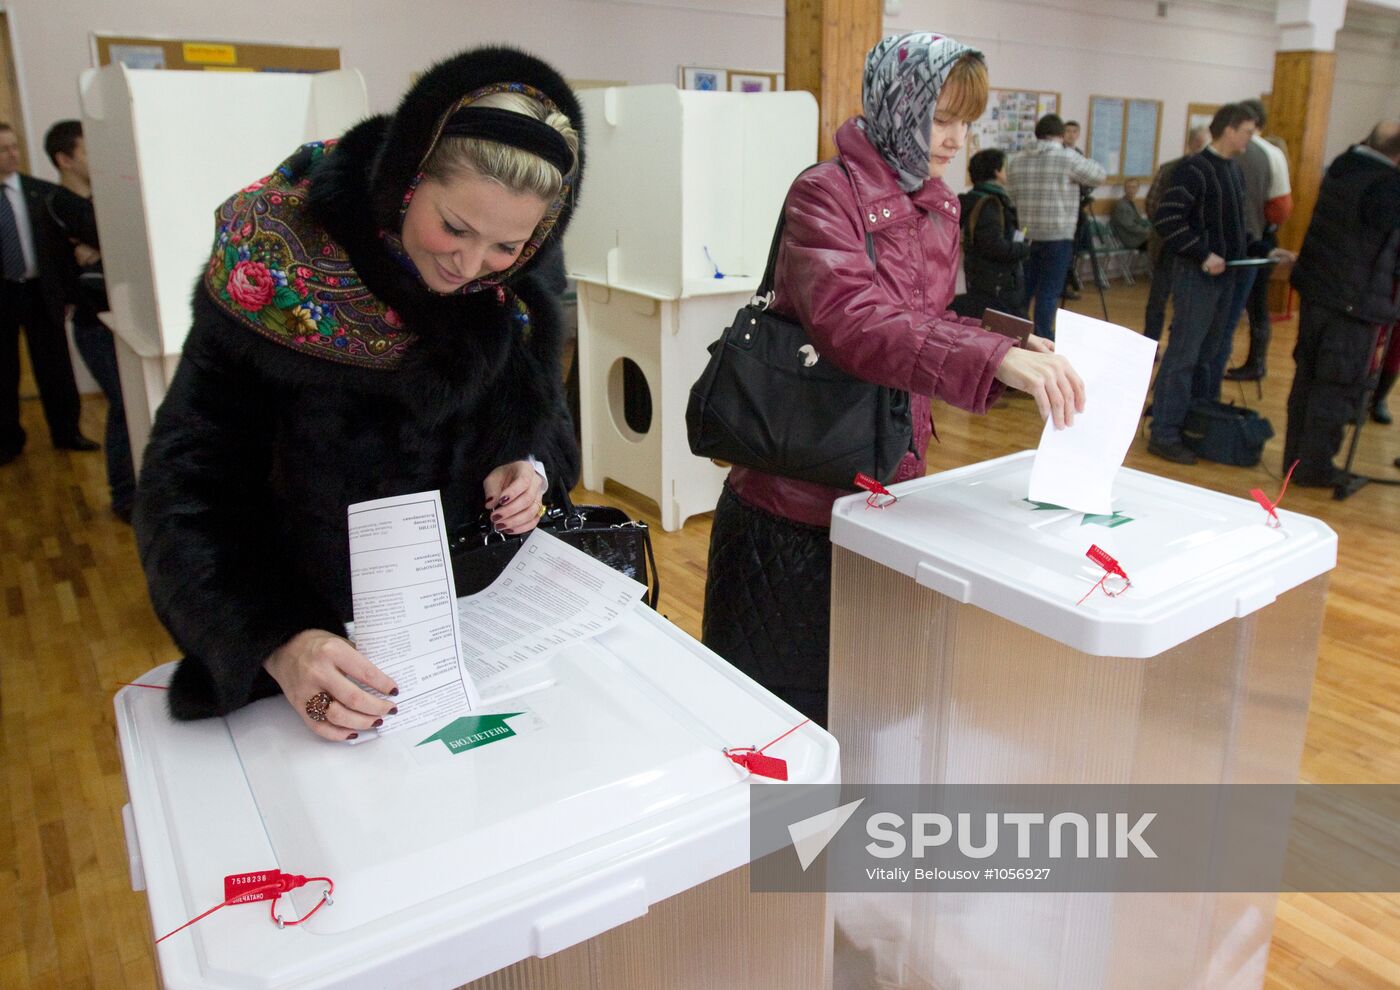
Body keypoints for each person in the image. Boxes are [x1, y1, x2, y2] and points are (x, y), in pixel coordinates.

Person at [133, 47, 584, 739]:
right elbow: (187, 486)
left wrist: (531, 466)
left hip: (469, 637)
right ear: (406, 180)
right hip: (312, 651)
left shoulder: (513, 285)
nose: (468, 267)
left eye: (506, 247)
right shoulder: (275, 264)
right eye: (455, 228)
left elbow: (543, 420)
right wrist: (280, 642)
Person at [701, 33, 1085, 727]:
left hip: (886, 480)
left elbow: (936, 312)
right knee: (777, 716)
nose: (955, 139)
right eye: (942, 118)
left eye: (967, 122)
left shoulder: (937, 203)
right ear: (898, 103)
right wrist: (989, 359)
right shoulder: (825, 193)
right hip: (795, 499)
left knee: (867, 700)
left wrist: (1009, 338)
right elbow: (853, 321)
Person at [1149, 103, 1290, 465]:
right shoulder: (1193, 168)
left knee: (1211, 355)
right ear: (1228, 130)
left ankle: (1195, 424)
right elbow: (1167, 218)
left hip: (1226, 277)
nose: (1251, 137)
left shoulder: (1233, 170)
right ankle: (1164, 432)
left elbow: (1235, 229)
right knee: (1183, 354)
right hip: (1197, 277)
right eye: (1247, 130)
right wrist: (1202, 254)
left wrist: (1265, 250)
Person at [1284, 121, 1400, 486]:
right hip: (1353, 301)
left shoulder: (1343, 166)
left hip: (1319, 291)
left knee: (1308, 378)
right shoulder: (1386, 186)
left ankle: (1296, 462)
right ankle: (1315, 468)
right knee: (1337, 386)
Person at [43, 119, 136, 521]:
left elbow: (119, 239)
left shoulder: (100, 200)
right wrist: (101, 246)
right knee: (123, 405)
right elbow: (105, 239)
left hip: (116, 319)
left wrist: (100, 248)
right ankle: (124, 497)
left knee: (128, 406)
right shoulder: (56, 204)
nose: (95, 158)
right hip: (92, 326)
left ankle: (132, 493)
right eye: (86, 151)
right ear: (64, 160)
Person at [0, 122, 97, 465]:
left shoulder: (41, 193)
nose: (12, 154)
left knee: (55, 364)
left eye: (14, 146)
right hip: (4, 293)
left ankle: (67, 431)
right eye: (3, 149)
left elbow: (59, 246)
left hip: (41, 290)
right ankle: (8, 440)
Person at [1006, 113, 1107, 340]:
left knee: (1025, 289)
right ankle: (1043, 338)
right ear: (1060, 136)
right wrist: (1071, 150)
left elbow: (1011, 197)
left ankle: (1019, 337)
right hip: (1058, 235)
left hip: (1026, 235)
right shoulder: (1066, 157)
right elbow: (1099, 175)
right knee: (1049, 292)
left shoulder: (1016, 160)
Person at [1225, 98, 1295, 382]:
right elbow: (1281, 207)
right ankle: (1256, 362)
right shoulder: (1271, 154)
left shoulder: (1215, 149)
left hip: (1216, 246)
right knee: (1256, 306)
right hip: (1255, 241)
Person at [1142, 125, 1210, 343]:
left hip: (1195, 248)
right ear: (1192, 143)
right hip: (1168, 246)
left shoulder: (1212, 172)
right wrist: (1172, 230)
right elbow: (1153, 204)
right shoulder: (1171, 169)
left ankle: (1177, 343)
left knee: (1186, 301)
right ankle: (1150, 345)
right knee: (1158, 299)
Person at [953, 147, 1031, 319]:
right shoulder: (989, 204)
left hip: (976, 279)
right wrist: (1023, 248)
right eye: (1005, 167)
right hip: (995, 284)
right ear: (997, 171)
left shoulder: (968, 200)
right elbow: (994, 246)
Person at [1110, 177, 1151, 250]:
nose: (1131, 190)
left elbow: (1139, 221)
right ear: (1124, 189)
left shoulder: (1131, 203)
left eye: (1133, 187)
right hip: (1130, 240)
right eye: (1128, 187)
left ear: (1138, 189)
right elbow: (1130, 226)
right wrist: (1148, 232)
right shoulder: (1122, 206)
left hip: (1136, 237)